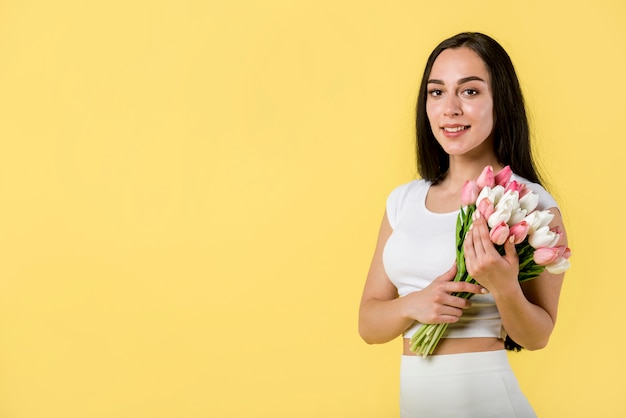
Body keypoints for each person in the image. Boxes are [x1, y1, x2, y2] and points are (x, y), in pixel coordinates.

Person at [358, 32, 568, 417]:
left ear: (499, 102)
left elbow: (538, 336)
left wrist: (504, 287)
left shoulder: (529, 202)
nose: (449, 108)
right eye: (436, 93)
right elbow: (369, 324)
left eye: (469, 92)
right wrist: (415, 304)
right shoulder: (402, 202)